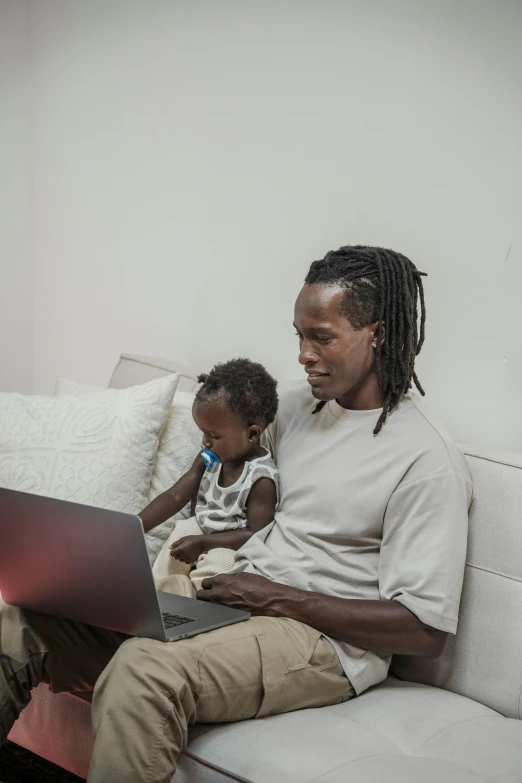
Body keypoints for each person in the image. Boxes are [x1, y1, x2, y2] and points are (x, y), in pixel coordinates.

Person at [0, 245, 472, 783]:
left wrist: (270, 594)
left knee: (143, 669)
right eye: (298, 334)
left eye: (322, 337)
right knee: (23, 617)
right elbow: (213, 466)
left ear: (378, 335)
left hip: (321, 644)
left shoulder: (428, 460)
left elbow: (424, 629)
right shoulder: (292, 408)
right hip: (226, 598)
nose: (302, 354)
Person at [142, 358, 279, 591]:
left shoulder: (261, 479)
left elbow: (256, 535)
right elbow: (177, 495)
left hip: (230, 543)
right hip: (199, 528)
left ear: (252, 434)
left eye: (214, 436)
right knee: (176, 542)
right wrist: (135, 525)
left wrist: (205, 543)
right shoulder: (209, 457)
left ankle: (194, 607)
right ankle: (157, 596)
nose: (205, 442)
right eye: (203, 433)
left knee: (216, 573)